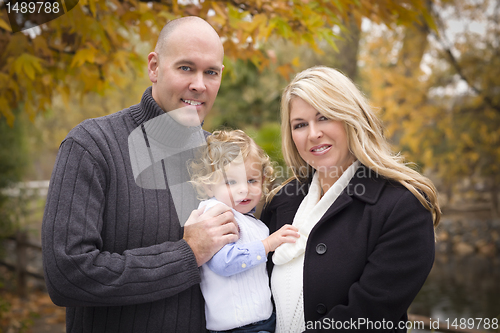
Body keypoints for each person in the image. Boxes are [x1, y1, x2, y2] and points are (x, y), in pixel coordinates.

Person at [41, 16, 240, 333]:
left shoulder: (224, 158)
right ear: (154, 67)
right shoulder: (93, 145)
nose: (199, 84)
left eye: (211, 72)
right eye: (186, 68)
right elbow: (67, 275)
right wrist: (186, 255)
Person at [260, 66, 441, 333]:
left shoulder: (403, 205)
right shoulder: (281, 201)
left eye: (324, 117)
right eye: (300, 125)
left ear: (350, 118)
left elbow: (368, 315)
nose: (312, 134)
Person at [187, 129, 299, 333]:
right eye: (231, 182)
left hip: (262, 321)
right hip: (238, 327)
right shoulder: (215, 213)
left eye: (251, 180)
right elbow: (224, 262)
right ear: (209, 187)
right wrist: (267, 245)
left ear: (263, 180)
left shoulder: (251, 220)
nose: (243, 190)